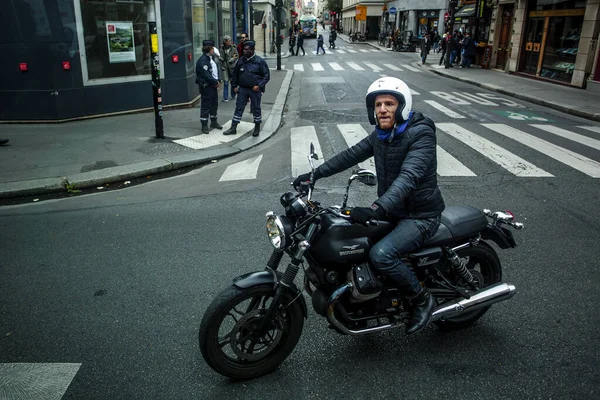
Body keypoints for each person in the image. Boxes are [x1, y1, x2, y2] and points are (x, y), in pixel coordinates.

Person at [293, 77, 445, 335]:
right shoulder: (382, 135)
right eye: (378, 104)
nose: (382, 109)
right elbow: (351, 155)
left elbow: (408, 178)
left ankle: (422, 299)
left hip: (420, 216)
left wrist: (376, 209)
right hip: (394, 212)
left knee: (381, 255)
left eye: (389, 103)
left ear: (403, 107)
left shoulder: (421, 134)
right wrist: (315, 174)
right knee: (356, 246)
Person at [222, 40, 270, 137]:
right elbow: (235, 74)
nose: (244, 51)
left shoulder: (260, 61)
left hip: (255, 89)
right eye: (244, 49)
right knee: (239, 107)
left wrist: (259, 86)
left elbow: (266, 76)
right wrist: (234, 86)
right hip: (243, 89)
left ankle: (257, 127)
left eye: (246, 49)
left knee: (256, 108)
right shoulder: (241, 60)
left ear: (252, 50)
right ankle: (233, 127)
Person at [195, 40, 223, 134]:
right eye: (212, 48)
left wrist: (218, 80)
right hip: (206, 87)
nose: (214, 50)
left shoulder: (211, 59)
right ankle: (204, 125)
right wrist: (215, 81)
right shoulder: (202, 61)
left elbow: (215, 70)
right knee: (206, 106)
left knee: (214, 105)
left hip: (213, 86)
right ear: (209, 49)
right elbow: (207, 75)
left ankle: (214, 122)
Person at [221, 35, 238, 102]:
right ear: (225, 42)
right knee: (225, 82)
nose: (230, 42)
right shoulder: (222, 49)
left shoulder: (233, 48)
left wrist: (232, 59)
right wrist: (220, 58)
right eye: (229, 41)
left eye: (230, 40)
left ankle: (233, 95)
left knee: (232, 81)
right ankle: (225, 98)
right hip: (225, 67)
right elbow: (222, 57)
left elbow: (236, 55)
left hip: (232, 67)